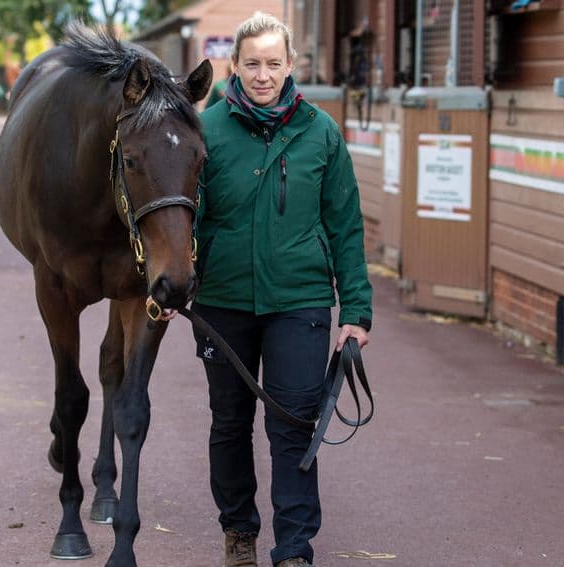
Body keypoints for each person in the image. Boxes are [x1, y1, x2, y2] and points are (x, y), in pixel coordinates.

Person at [158, 12, 373, 567]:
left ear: (290, 65)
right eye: (252, 63)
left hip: (299, 301)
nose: (262, 74)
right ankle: (239, 532)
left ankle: (295, 548)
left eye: (273, 64)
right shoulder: (206, 131)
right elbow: (181, 218)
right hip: (222, 300)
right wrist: (167, 283)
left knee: (294, 424)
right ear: (235, 65)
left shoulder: (320, 132)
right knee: (229, 421)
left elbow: (345, 224)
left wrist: (357, 311)